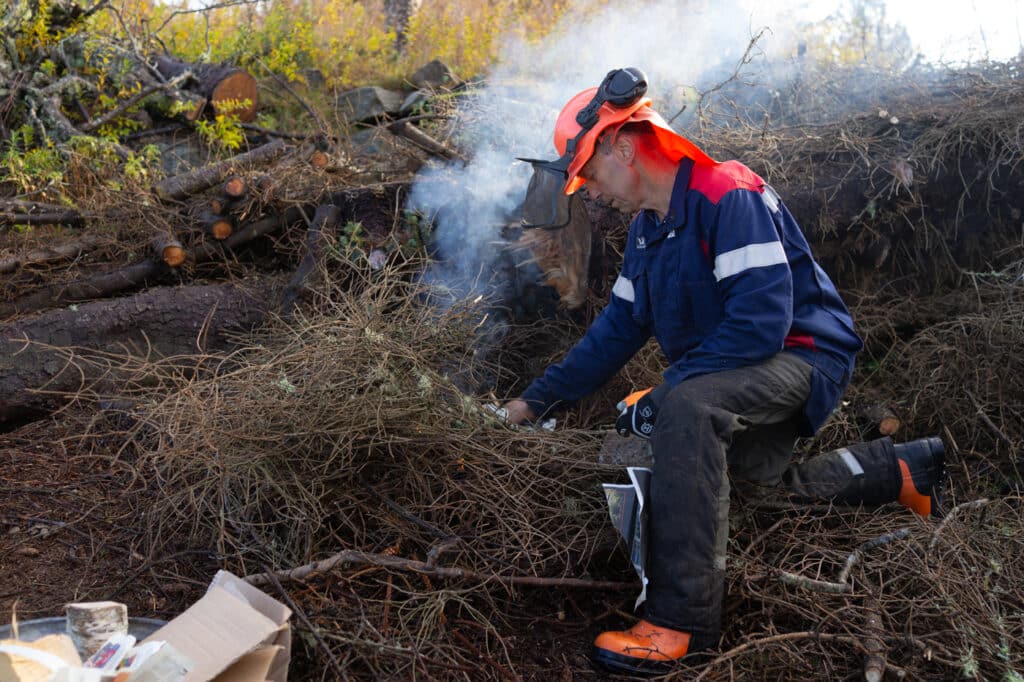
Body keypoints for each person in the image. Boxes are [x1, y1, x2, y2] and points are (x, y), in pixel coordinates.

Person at [502, 68, 946, 675]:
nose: (589, 191)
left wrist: (668, 391)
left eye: (589, 173)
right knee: (731, 490)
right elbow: (614, 333)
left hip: (800, 355)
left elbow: (761, 323)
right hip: (742, 368)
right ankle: (897, 470)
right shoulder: (647, 233)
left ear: (623, 147)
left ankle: (679, 622)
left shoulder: (724, 191)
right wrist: (533, 403)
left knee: (686, 410)